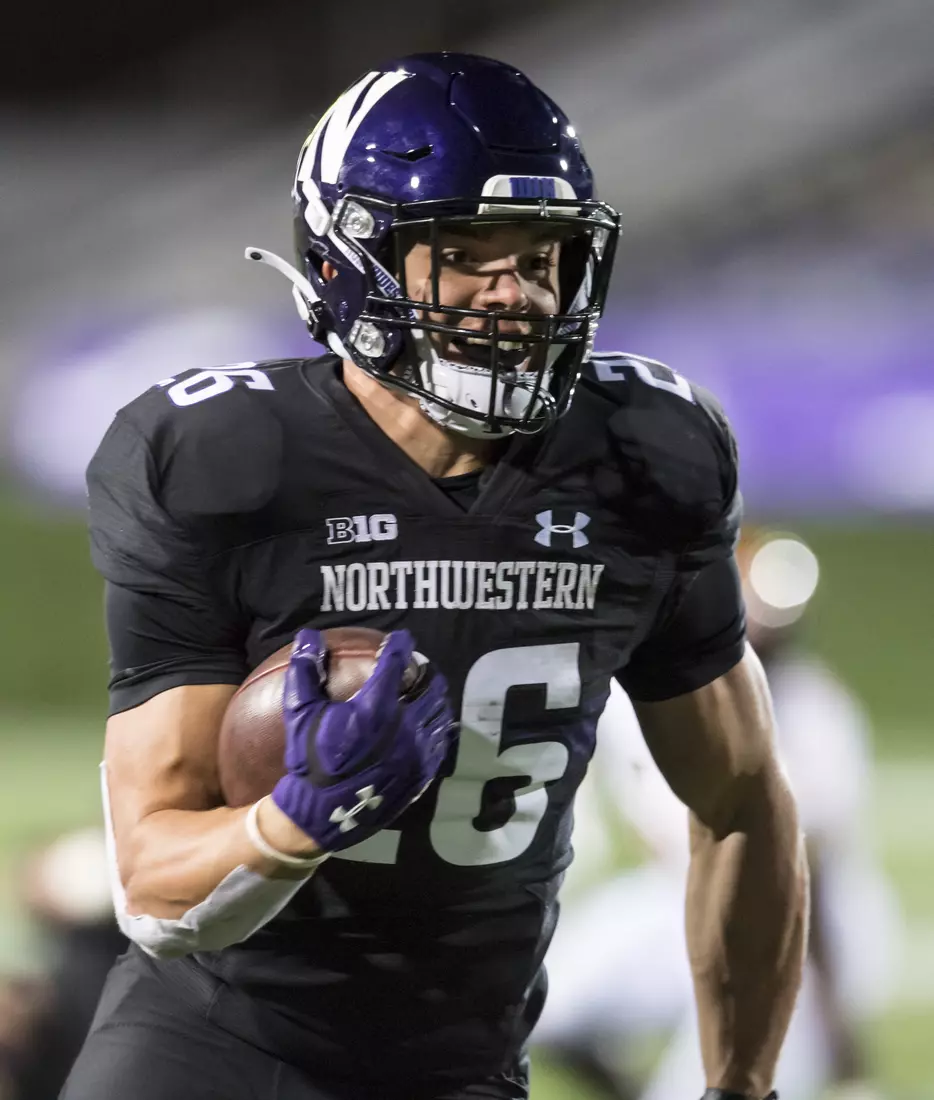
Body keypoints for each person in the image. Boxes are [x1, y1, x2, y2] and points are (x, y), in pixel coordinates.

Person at [62, 52, 807, 1100]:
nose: (517, 297)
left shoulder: (647, 454)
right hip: (213, 1045)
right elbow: (150, 887)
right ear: (346, 262)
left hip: (458, 1062)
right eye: (466, 255)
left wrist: (741, 1085)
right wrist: (296, 820)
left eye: (543, 256)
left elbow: (740, 797)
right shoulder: (224, 460)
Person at [537, 530, 900, 1100]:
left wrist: (840, 1036)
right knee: (537, 1008)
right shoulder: (647, 694)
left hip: (789, 929)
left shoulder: (815, 709)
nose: (769, 625)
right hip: (677, 900)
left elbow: (805, 876)